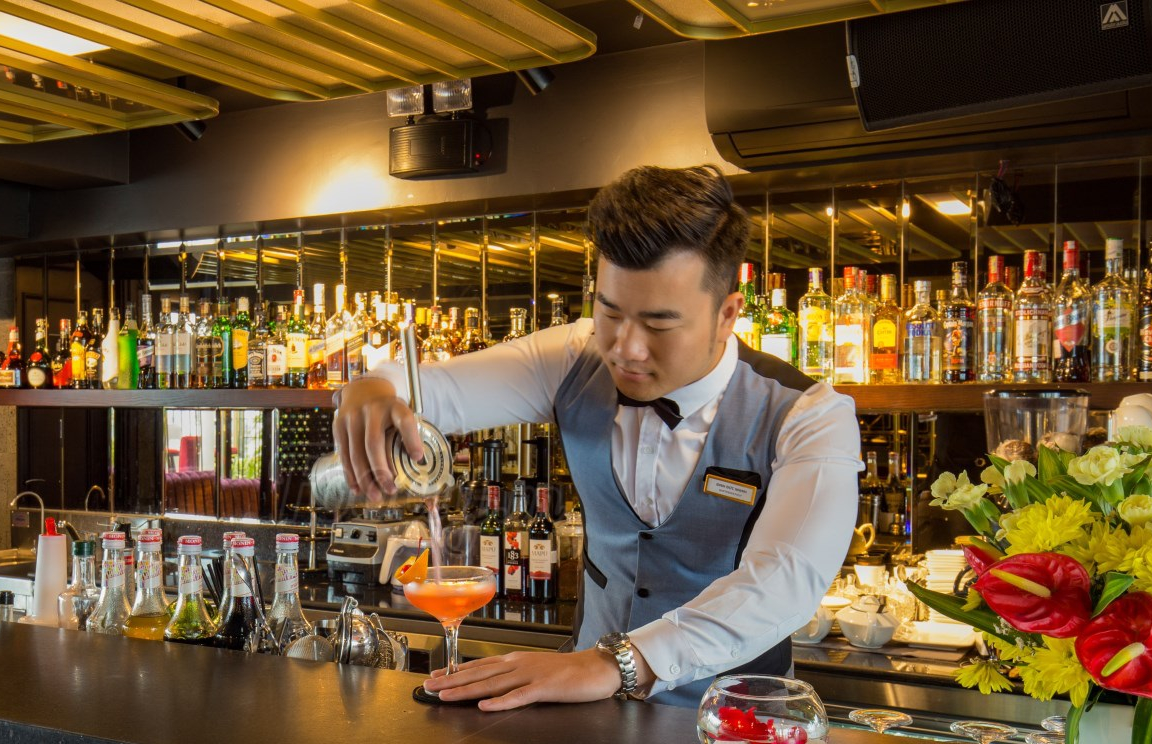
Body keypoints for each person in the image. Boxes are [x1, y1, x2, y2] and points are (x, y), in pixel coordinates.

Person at [333, 165, 860, 710]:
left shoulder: (809, 416)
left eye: (658, 325)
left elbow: (783, 584)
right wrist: (373, 387)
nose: (625, 348)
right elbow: (432, 390)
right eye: (609, 312)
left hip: (737, 726)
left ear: (727, 314)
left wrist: (615, 663)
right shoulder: (572, 357)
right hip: (590, 716)